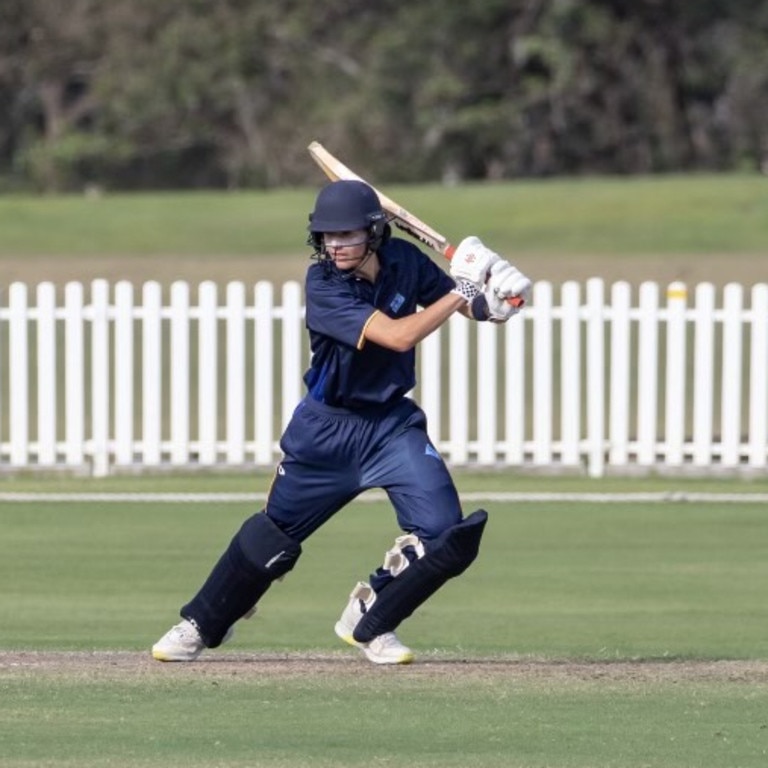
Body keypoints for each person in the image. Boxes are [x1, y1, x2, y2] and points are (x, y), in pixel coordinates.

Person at [152, 179, 532, 665]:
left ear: (374, 233)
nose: (334, 246)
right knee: (271, 543)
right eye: (326, 237)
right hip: (326, 431)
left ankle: (371, 616)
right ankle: (199, 625)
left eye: (345, 235)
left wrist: (500, 298)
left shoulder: (406, 263)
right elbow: (397, 336)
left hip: (391, 428)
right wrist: (463, 288)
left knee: (445, 535)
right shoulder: (324, 285)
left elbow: (474, 308)